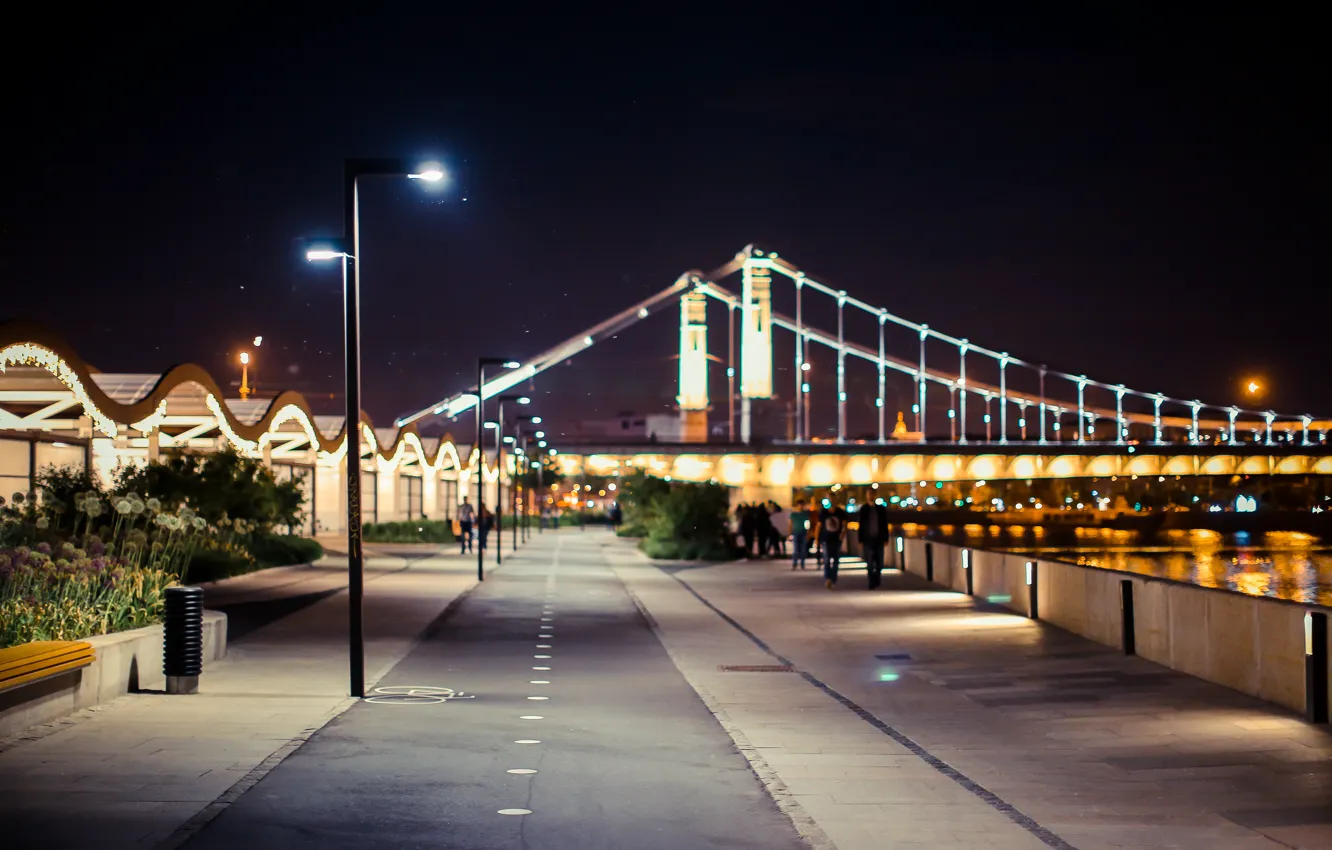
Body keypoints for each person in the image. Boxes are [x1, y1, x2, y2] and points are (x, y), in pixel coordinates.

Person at [858, 499, 888, 589]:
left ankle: (877, 578)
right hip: (868, 540)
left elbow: (884, 524)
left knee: (880, 563)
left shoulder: (881, 509)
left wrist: (886, 538)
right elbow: (861, 525)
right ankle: (871, 582)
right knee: (870, 562)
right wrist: (860, 540)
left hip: (879, 540)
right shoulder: (864, 509)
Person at [819, 503, 846, 588]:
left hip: (836, 540)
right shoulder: (823, 513)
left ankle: (833, 579)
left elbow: (845, 524)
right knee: (827, 560)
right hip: (826, 540)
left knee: (836, 560)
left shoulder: (840, 512)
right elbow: (819, 526)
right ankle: (828, 579)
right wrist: (817, 539)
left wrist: (842, 534)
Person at [788, 501, 809, 570]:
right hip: (796, 532)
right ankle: (795, 564)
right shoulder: (793, 514)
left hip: (803, 532)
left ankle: (802, 564)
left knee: (803, 549)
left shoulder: (805, 514)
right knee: (796, 549)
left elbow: (808, 524)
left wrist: (808, 533)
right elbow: (790, 524)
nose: (801, 506)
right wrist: (789, 533)